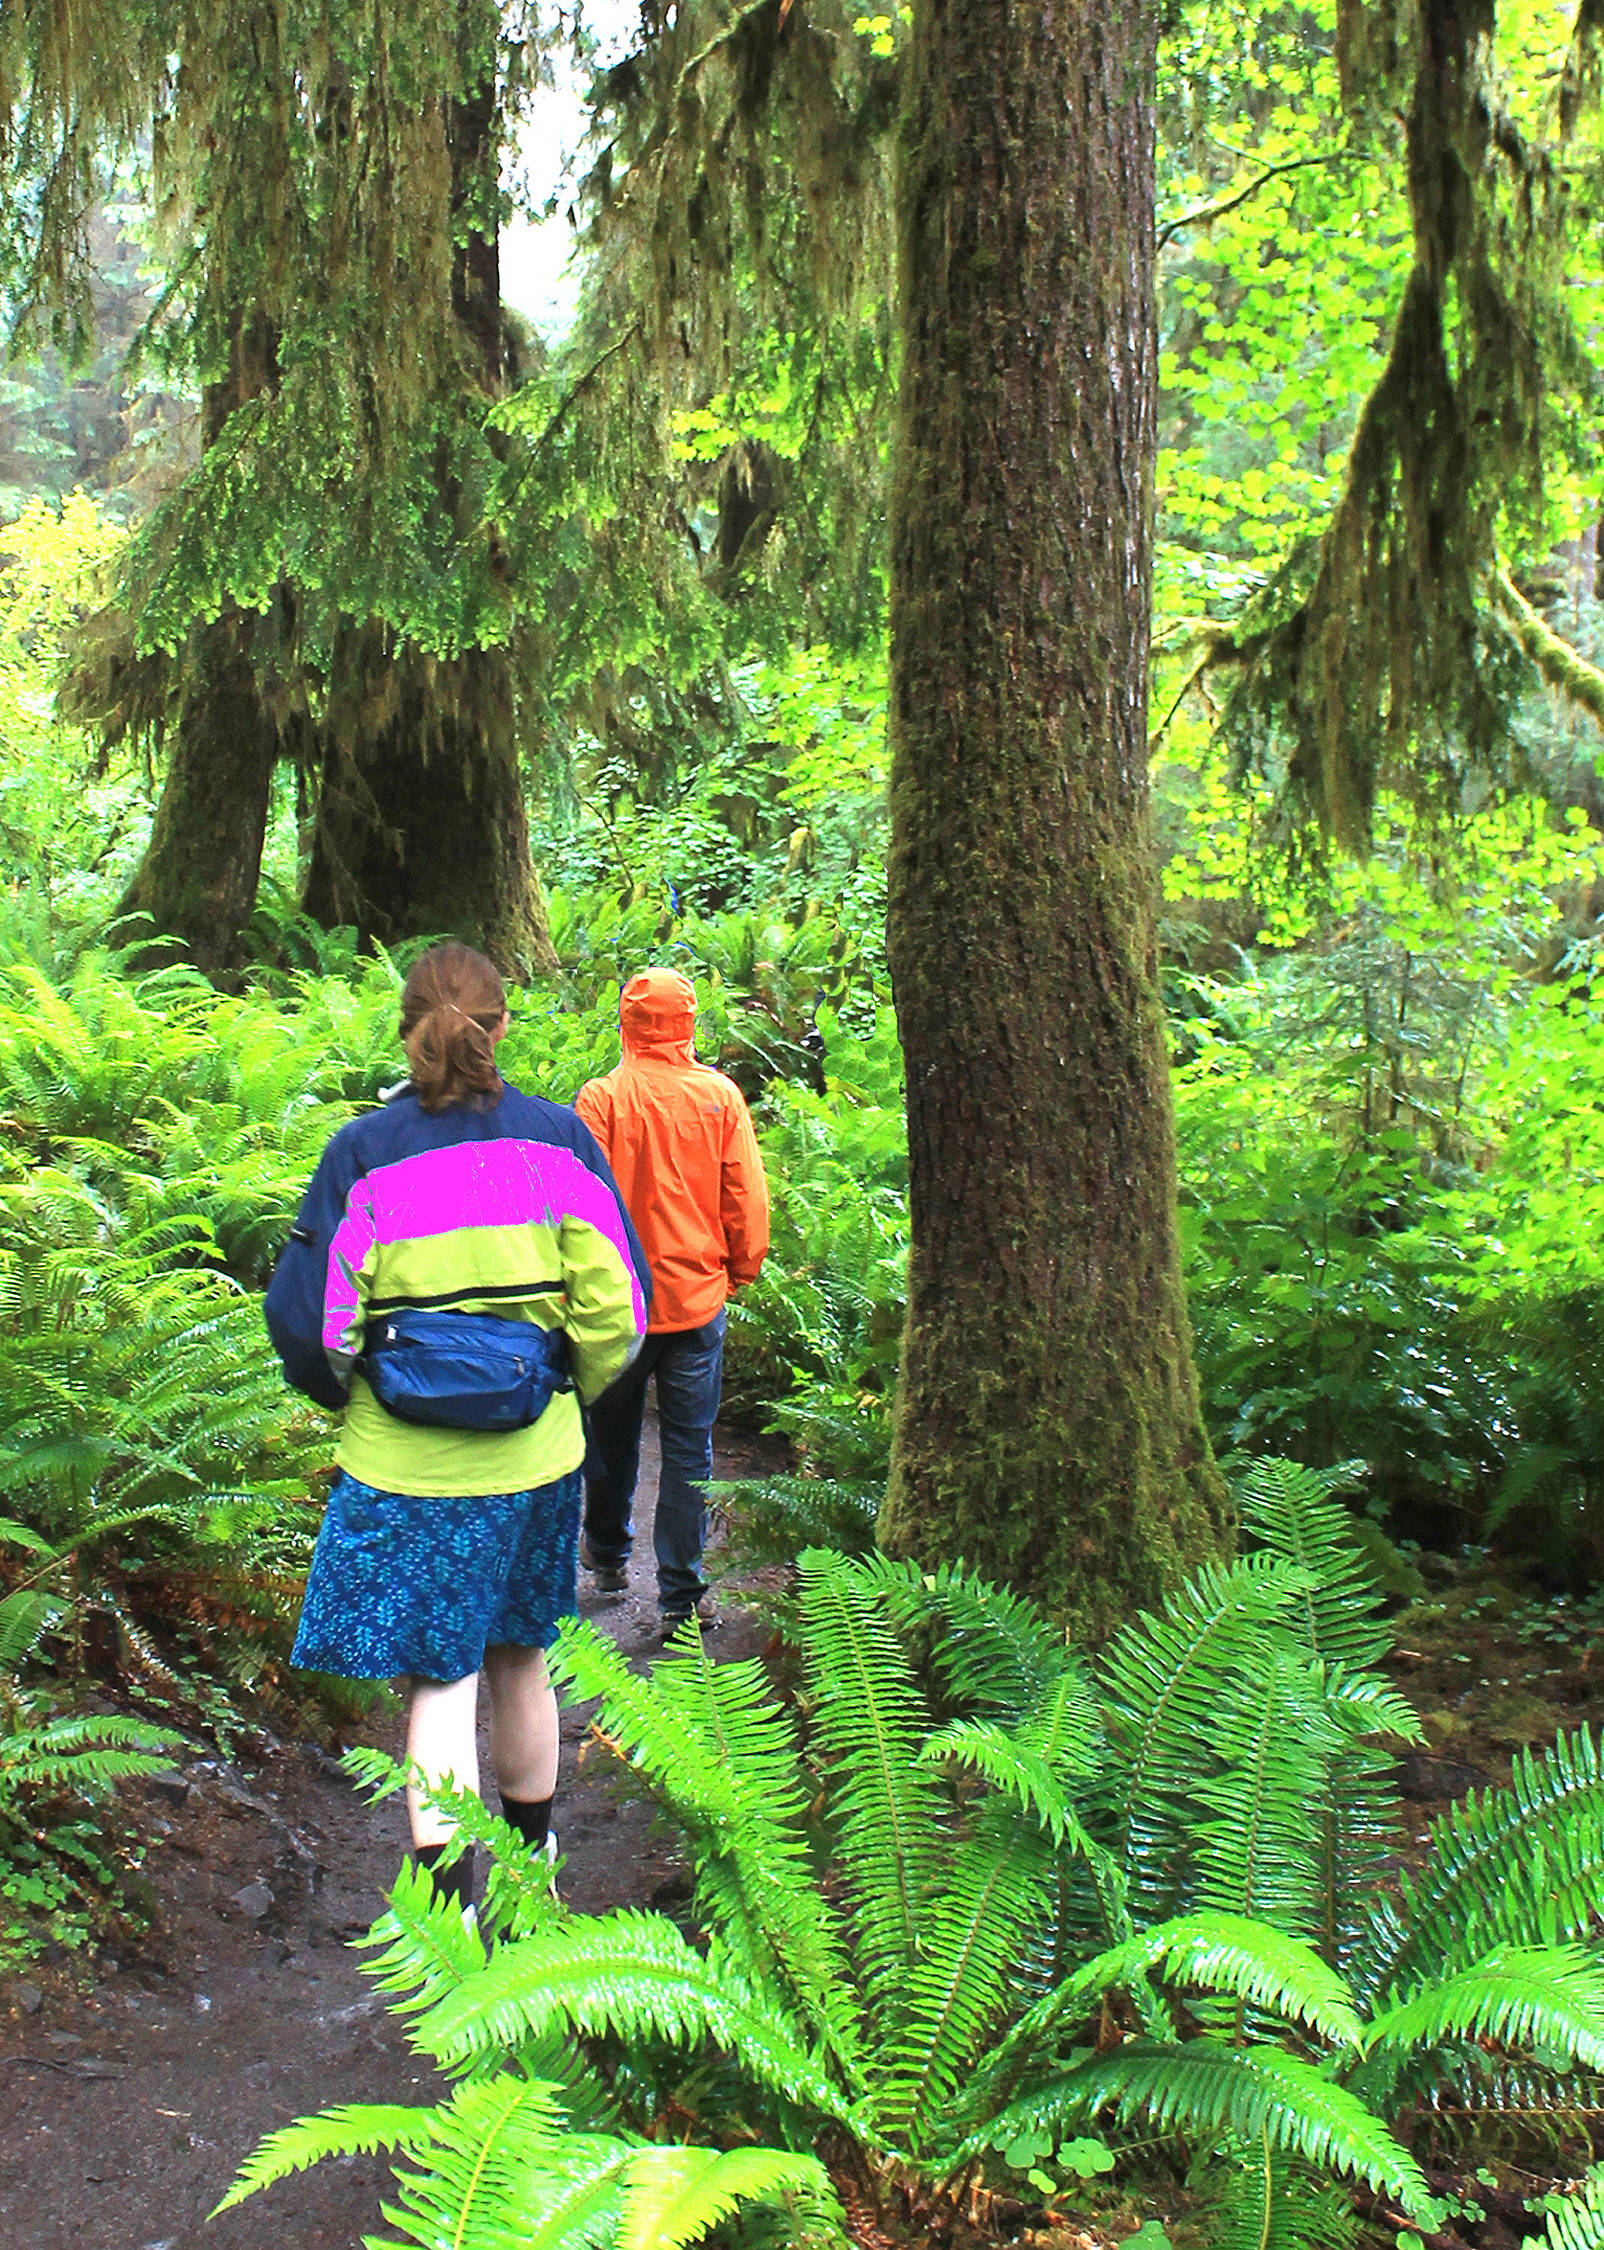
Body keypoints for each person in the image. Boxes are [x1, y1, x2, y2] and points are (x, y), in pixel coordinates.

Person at [264, 943, 649, 1918]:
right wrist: (560, 1396)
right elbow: (620, 1314)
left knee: (440, 1679)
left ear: (406, 1030)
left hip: (406, 1467)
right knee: (522, 1652)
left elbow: (311, 1324)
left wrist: (350, 1400)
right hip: (537, 1461)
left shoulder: (361, 1154)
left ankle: (450, 1911)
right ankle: (531, 1868)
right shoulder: (560, 1144)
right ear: (501, 1026)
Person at [575, 967, 769, 1634]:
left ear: (626, 1024)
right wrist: (738, 1270)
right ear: (689, 1023)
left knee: (612, 1436)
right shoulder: (720, 1098)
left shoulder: (600, 1102)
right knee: (689, 1450)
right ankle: (681, 1598)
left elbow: (582, 1207)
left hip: (617, 1308)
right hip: (695, 1302)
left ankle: (606, 1557)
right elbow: (743, 1196)